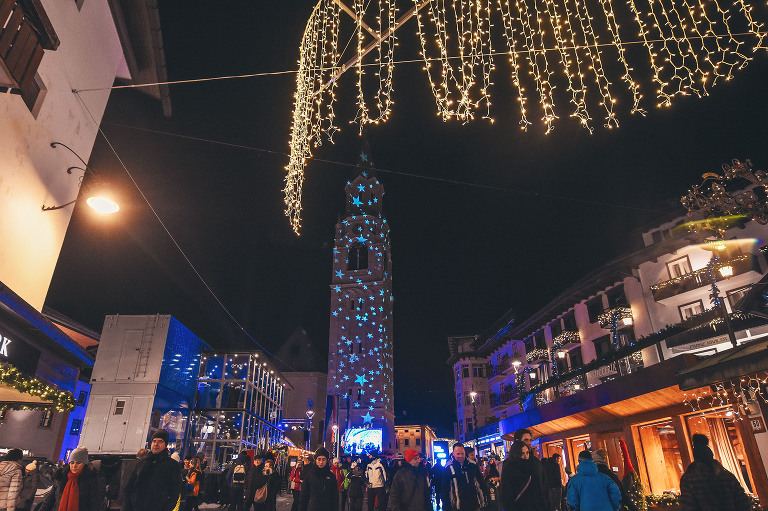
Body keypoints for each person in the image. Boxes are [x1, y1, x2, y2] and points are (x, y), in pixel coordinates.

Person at [679, 434, 752, 511]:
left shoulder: (689, 479)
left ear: (695, 457)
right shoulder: (726, 475)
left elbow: (688, 506)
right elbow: (743, 502)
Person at [122, 429, 184, 511]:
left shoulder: (172, 465)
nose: (156, 444)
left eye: (160, 441)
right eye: (154, 441)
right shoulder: (142, 463)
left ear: (165, 444)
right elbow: (129, 487)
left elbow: (174, 493)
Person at [40, 447, 105, 511]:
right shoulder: (61, 477)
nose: (74, 466)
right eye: (72, 462)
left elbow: (95, 504)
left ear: (84, 464)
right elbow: (49, 500)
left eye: (78, 463)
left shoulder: (90, 479)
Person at [500, 441, 544, 511]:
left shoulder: (534, 465)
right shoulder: (509, 468)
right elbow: (506, 492)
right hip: (519, 507)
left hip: (535, 506)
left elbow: (540, 489)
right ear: (516, 454)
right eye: (522, 453)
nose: (526, 456)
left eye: (527, 453)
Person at [441, 443, 486, 511]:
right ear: (453, 454)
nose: (460, 456)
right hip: (457, 507)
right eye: (458, 454)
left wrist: (484, 501)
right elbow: (444, 490)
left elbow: (481, 482)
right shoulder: (448, 468)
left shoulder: (472, 465)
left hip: (474, 505)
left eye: (462, 453)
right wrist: (447, 507)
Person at [514, 429, 550, 509]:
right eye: (526, 440)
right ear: (517, 441)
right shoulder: (510, 464)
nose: (529, 443)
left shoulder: (535, 461)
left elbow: (544, 485)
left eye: (530, 440)